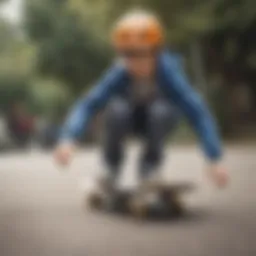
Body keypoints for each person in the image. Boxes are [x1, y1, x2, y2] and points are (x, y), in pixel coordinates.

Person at [54, 10, 228, 190]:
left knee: (160, 111)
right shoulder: (119, 72)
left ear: (156, 52)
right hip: (129, 119)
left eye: (142, 54)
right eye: (128, 55)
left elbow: (198, 113)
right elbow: (88, 104)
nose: (135, 62)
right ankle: (110, 168)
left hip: (159, 120)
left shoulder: (169, 73)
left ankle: (150, 169)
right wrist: (69, 139)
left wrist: (213, 158)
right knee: (116, 109)